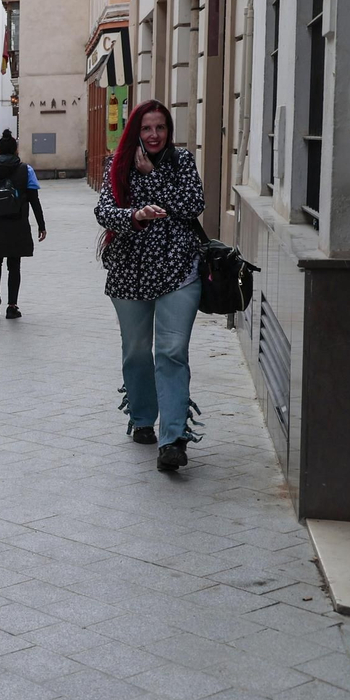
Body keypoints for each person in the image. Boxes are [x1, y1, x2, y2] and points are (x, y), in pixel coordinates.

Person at [95, 100, 206, 473]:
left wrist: (155, 180)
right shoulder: (118, 165)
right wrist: (135, 215)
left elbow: (194, 205)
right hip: (130, 272)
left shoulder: (182, 162)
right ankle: (143, 416)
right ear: (135, 131)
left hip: (179, 270)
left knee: (172, 352)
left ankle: (173, 439)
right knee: (137, 351)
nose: (154, 135)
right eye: (147, 128)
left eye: (160, 128)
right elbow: (104, 211)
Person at [0, 131, 45, 319]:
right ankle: (12, 306)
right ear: (15, 149)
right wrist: (41, 225)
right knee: (14, 265)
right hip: (17, 223)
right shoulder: (25, 169)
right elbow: (34, 199)